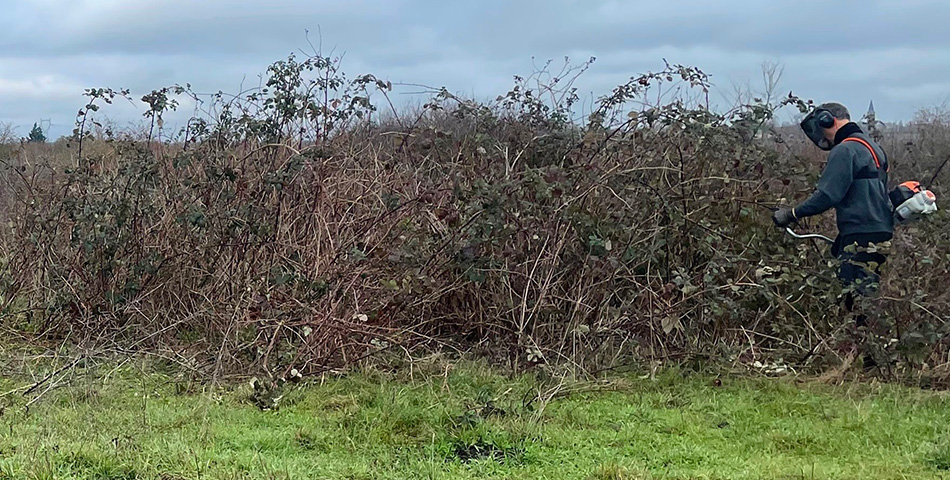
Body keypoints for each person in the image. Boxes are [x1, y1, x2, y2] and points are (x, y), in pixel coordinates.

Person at [772, 102, 894, 310]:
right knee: (867, 292)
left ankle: (856, 339)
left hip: (859, 233)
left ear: (827, 121)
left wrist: (791, 214)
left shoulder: (845, 149)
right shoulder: (873, 147)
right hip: (881, 231)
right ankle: (868, 336)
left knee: (854, 298)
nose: (822, 138)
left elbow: (827, 196)